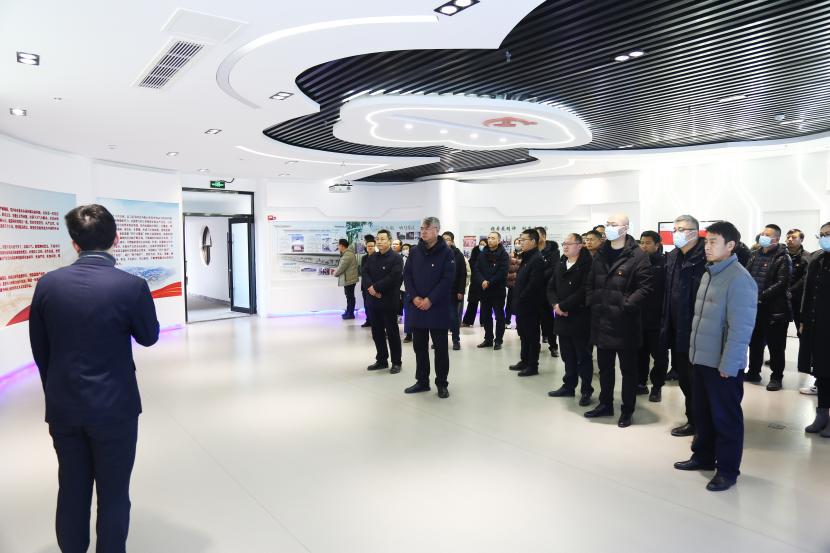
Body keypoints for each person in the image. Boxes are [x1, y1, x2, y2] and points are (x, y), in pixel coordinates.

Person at [28, 204, 160, 553]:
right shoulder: (132, 286)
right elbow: (149, 337)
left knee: (71, 488)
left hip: (64, 406)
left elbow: (40, 349)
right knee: (114, 493)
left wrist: (57, 390)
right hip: (115, 407)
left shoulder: (47, 285)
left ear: (74, 244)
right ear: (117, 239)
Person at [674, 221, 757, 492]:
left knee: (726, 419)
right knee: (703, 413)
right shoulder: (710, 273)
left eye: (713, 242)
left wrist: (729, 365)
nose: (707, 247)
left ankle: (728, 471)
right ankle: (703, 456)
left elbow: (740, 329)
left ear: (730, 245)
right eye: (706, 241)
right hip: (702, 360)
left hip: (722, 365)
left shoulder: (739, 279)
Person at [584, 213, 653, 427]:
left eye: (614, 224)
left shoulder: (637, 255)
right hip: (602, 320)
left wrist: (626, 304)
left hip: (625, 323)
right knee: (605, 368)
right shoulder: (601, 253)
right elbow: (590, 281)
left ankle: (627, 409)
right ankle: (605, 404)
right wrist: (592, 301)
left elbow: (645, 287)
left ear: (625, 228)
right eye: (608, 224)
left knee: (628, 371)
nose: (610, 227)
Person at [661, 215, 707, 437]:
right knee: (685, 380)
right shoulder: (673, 256)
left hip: (697, 330)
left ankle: (701, 425)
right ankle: (693, 420)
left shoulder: (705, 257)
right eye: (675, 229)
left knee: (697, 381)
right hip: (676, 327)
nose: (677, 233)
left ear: (695, 232)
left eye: (682, 229)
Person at [403, 217, 456, 398]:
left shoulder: (447, 253)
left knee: (440, 349)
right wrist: (415, 297)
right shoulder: (415, 251)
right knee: (419, 347)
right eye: (422, 228)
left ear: (436, 230)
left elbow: (447, 280)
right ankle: (422, 381)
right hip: (417, 306)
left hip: (437, 307)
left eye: (427, 228)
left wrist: (430, 299)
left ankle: (442, 384)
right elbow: (407, 276)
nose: (423, 231)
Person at [547, 233, 594, 403]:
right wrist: (555, 305)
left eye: (569, 243)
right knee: (567, 355)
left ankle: (586, 390)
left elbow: (584, 290)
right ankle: (568, 386)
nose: (565, 246)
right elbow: (551, 287)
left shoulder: (588, 264)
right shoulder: (561, 263)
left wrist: (564, 306)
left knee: (583, 356)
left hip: (579, 317)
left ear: (579, 245)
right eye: (564, 243)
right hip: (562, 317)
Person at [744, 224, 792, 390]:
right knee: (755, 343)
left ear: (776, 239)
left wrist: (760, 296)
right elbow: (746, 275)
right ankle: (753, 372)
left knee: (775, 346)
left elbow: (781, 283)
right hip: (755, 308)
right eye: (762, 233)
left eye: (767, 234)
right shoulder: (754, 254)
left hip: (774, 310)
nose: (763, 236)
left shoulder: (783, 257)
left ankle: (776, 377)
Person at [363, 229, 404, 374]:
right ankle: (381, 360)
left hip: (388, 301)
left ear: (389, 241)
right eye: (377, 239)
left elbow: (394, 278)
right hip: (373, 301)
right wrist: (371, 288)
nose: (379, 241)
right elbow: (365, 273)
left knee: (392, 333)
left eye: (382, 239)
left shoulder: (396, 258)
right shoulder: (372, 257)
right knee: (377, 332)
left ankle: (396, 362)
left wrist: (376, 288)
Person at [508, 229, 547, 377]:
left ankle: (532, 365)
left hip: (530, 305)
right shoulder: (527, 257)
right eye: (520, 240)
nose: (520, 243)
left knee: (531, 336)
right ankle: (524, 361)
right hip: (521, 304)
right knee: (523, 335)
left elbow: (534, 284)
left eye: (523, 240)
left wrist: (522, 297)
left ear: (533, 241)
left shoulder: (537, 259)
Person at [802, 222, 830, 435]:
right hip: (819, 324)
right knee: (822, 372)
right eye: (821, 235)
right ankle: (822, 414)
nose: (824, 238)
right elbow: (808, 292)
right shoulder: (818, 260)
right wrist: (804, 319)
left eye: (828, 234)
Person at [637, 231, 668, 402]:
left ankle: (657, 387)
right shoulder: (636, 262)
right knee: (640, 355)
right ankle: (640, 383)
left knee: (660, 357)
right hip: (638, 318)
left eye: (648, 243)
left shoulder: (665, 264)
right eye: (641, 243)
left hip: (658, 320)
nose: (643, 246)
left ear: (657, 245)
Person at [473, 231, 509, 350]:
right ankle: (488, 338)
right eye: (488, 238)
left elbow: (502, 272)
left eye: (493, 238)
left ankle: (498, 340)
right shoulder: (483, 253)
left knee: (499, 316)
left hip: (498, 290)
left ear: (499, 240)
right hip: (484, 290)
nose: (490, 240)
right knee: (485, 315)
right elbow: (476, 268)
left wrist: (489, 282)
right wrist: (482, 280)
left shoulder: (503, 254)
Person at [785, 229, 813, 377]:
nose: (790, 239)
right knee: (778, 332)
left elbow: (805, 278)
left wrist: (791, 290)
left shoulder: (807, 257)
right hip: (781, 299)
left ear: (801, 240)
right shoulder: (782, 254)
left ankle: (805, 361)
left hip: (798, 300)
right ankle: (777, 358)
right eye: (788, 237)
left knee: (802, 331)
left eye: (794, 237)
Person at [536, 227, 561, 358]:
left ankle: (553, 346)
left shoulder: (553, 251)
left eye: (537, 235)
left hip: (547, 290)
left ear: (544, 236)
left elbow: (553, 268)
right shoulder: (532, 250)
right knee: (534, 321)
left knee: (548, 320)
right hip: (533, 290)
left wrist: (537, 277)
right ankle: (535, 346)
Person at [443, 231, 468, 351]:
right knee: (440, 317)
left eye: (448, 239)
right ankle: (440, 340)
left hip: (452, 291)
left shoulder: (458, 254)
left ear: (452, 241)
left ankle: (456, 340)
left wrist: (461, 291)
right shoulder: (437, 253)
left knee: (453, 317)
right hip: (438, 292)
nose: (445, 241)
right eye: (443, 239)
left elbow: (463, 274)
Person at [462, 238, 488, 327]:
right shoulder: (475, 253)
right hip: (475, 283)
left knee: (485, 303)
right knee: (472, 302)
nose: (482, 246)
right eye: (481, 244)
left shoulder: (489, 255)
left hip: (485, 282)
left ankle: (484, 321)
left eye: (484, 244)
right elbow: (470, 267)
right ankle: (467, 321)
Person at [333, 238, 359, 319]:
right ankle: (348, 311)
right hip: (349, 279)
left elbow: (342, 267)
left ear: (342, 246)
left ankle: (350, 314)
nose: (338, 247)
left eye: (338, 245)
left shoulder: (347, 255)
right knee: (349, 297)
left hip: (349, 279)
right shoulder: (347, 253)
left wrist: (335, 273)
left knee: (350, 297)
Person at [505, 237, 523, 327]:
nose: (517, 244)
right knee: (509, 304)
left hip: (521, 284)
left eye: (519, 243)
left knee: (520, 304)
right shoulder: (510, 255)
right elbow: (507, 269)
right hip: (511, 284)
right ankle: (507, 322)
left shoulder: (525, 255)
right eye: (516, 243)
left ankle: (519, 323)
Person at [359, 235, 376, 328]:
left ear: (375, 246)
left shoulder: (378, 257)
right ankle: (368, 320)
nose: (370, 248)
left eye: (372, 246)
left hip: (374, 286)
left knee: (374, 306)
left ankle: (374, 321)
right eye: (368, 246)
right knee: (366, 305)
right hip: (365, 286)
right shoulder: (364, 258)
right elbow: (363, 272)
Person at [401, 243, 413, 342]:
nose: (405, 250)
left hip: (416, 289)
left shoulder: (415, 259)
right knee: (407, 312)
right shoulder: (400, 259)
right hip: (404, 289)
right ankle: (408, 333)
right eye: (403, 248)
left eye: (407, 248)